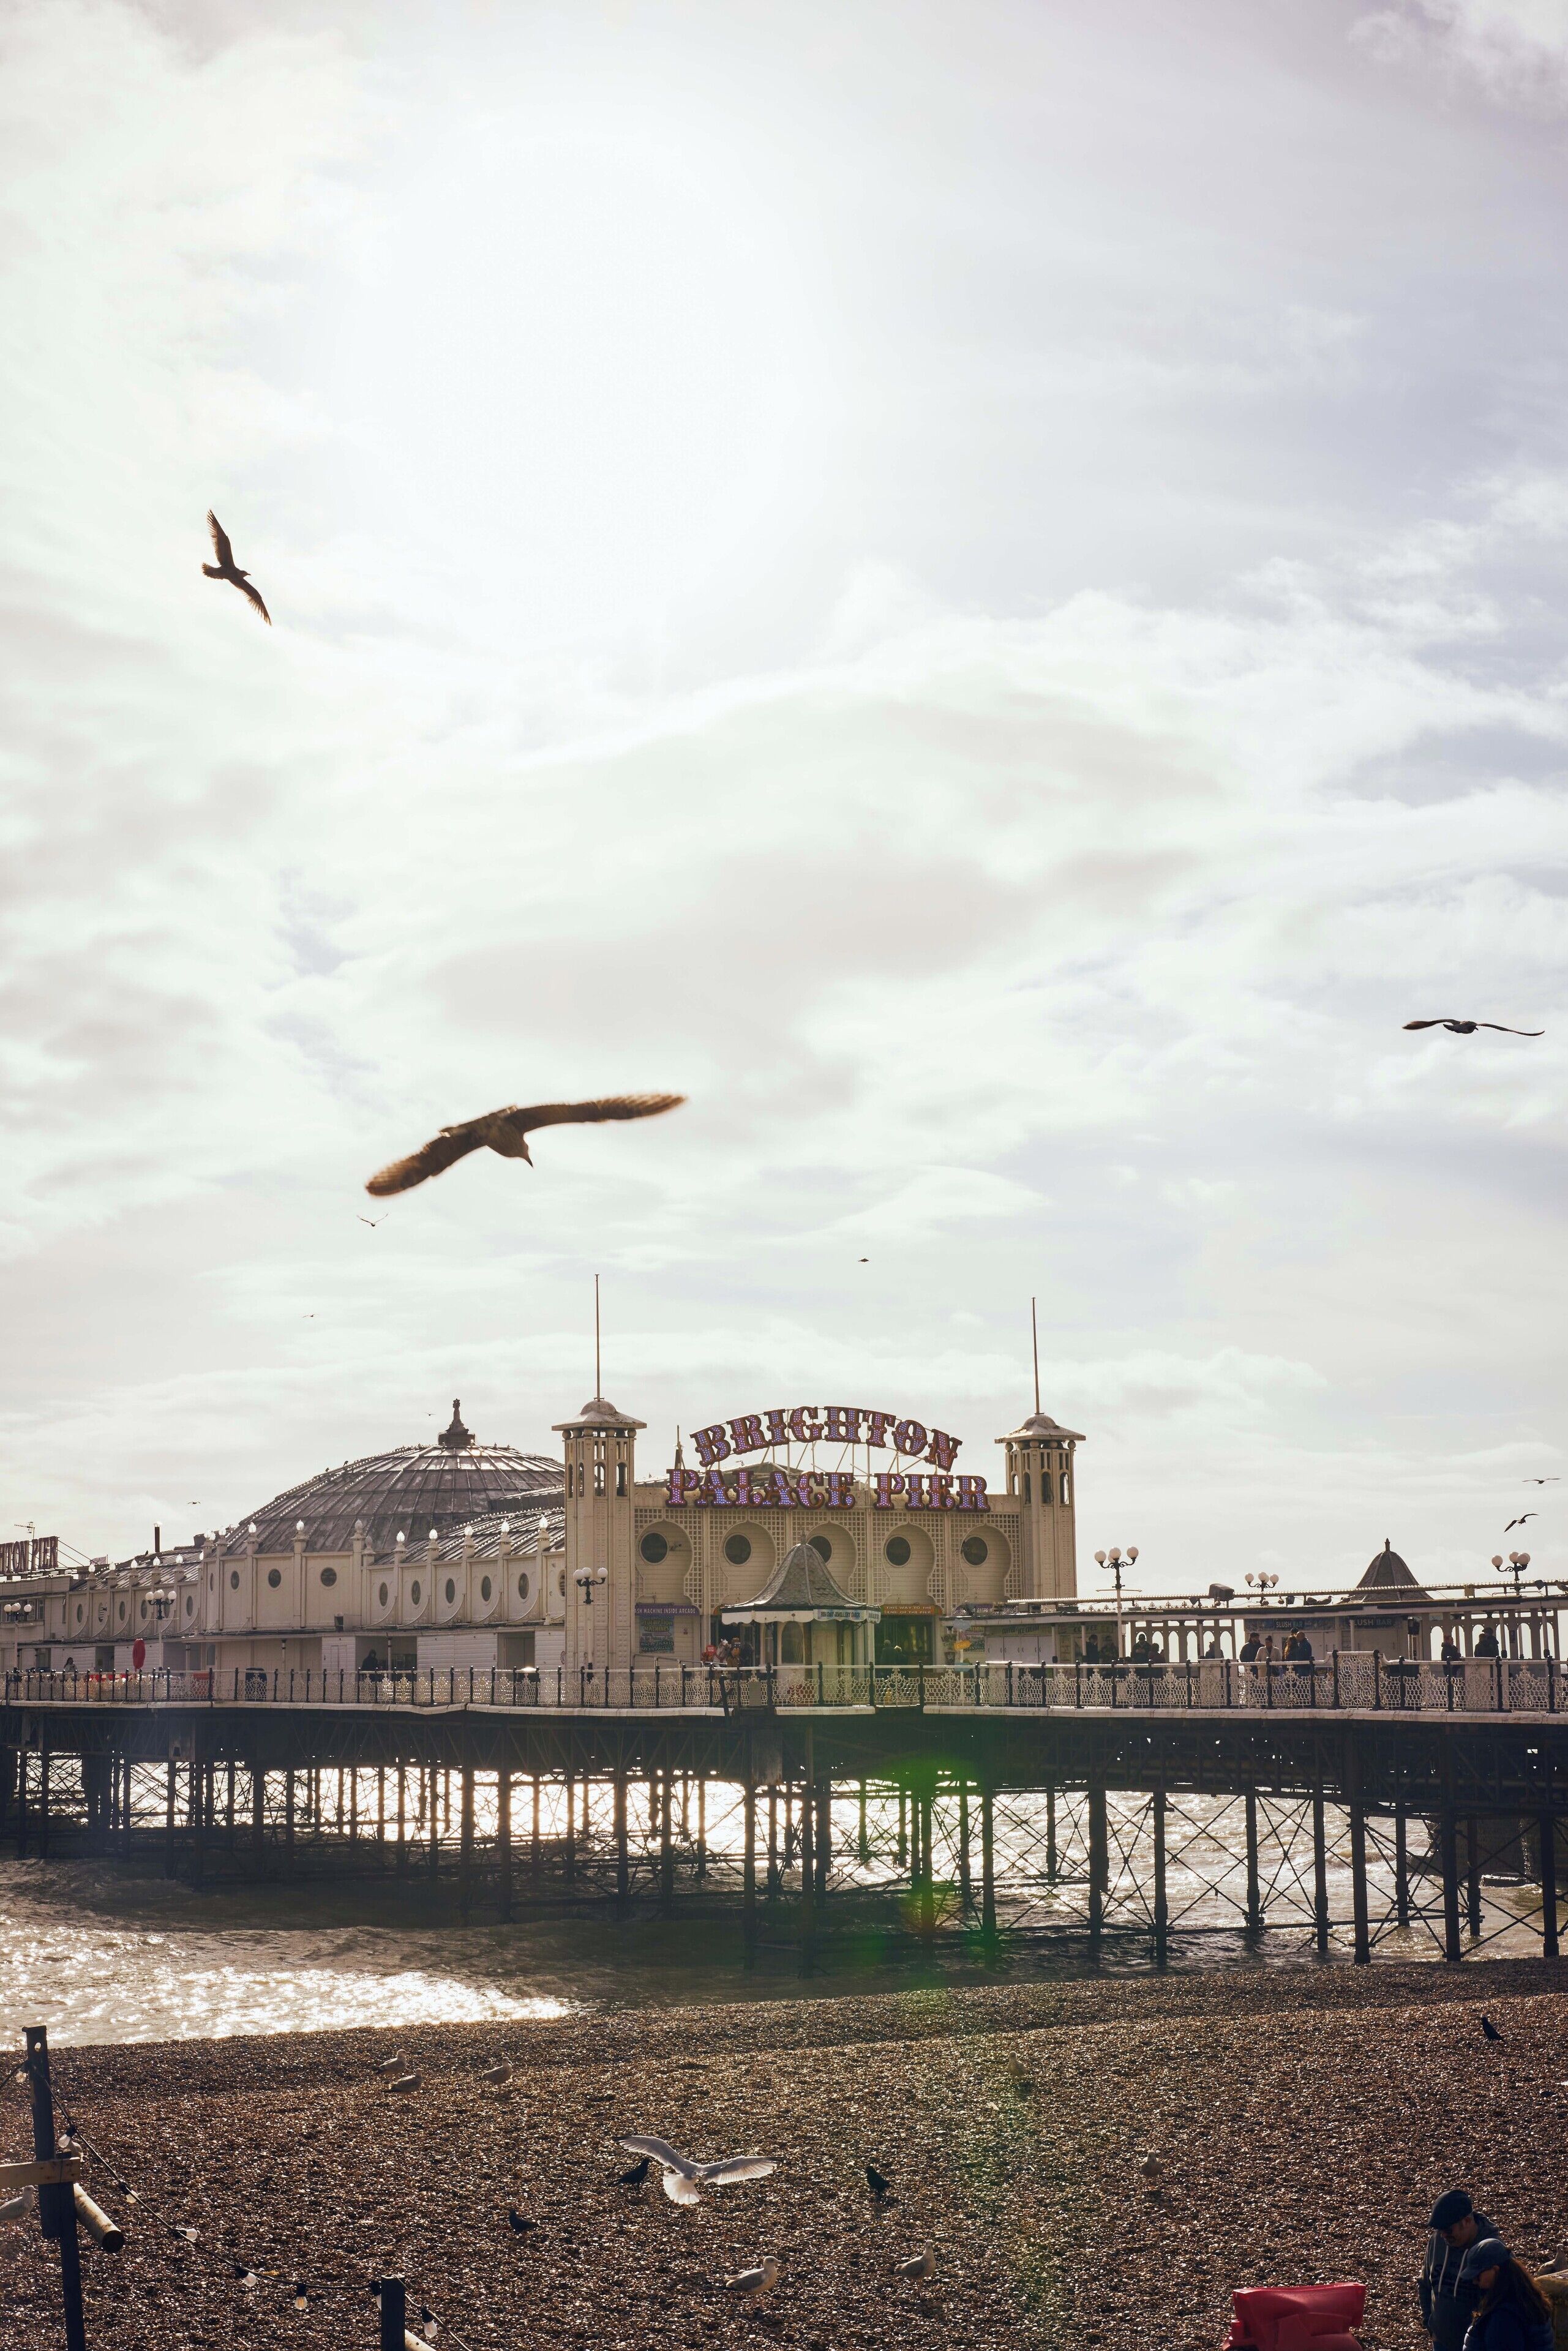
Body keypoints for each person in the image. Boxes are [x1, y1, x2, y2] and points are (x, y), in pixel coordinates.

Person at [1422, 2191, 1498, 2350]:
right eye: (1439, 2230)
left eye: (1448, 2230)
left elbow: (1501, 2302)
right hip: (1440, 2341)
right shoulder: (1437, 2241)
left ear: (1467, 2221)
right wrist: (1430, 2324)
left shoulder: (1492, 2251)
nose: (1443, 2235)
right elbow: (1424, 2284)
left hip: (1475, 2345)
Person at [1456, 2238, 1553, 2351]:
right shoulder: (1527, 2299)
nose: (1475, 2281)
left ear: (1495, 2270)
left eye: (1478, 2275)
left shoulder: (1504, 2318)